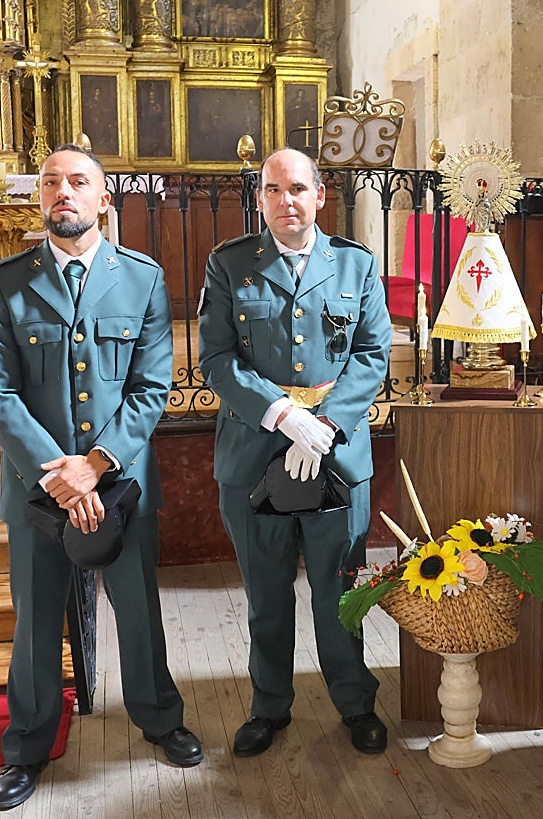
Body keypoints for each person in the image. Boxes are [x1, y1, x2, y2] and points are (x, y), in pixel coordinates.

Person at [0, 144, 202, 811]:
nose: (62, 192)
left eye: (78, 182)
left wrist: (96, 465)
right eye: (50, 183)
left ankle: (159, 718)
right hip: (36, 489)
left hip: (122, 484)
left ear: (105, 199)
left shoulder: (141, 278)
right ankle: (27, 746)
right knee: (37, 624)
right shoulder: (5, 283)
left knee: (139, 613)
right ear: (38, 199)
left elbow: (151, 385)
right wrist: (58, 475)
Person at [198, 147, 391, 757]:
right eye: (275, 190)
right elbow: (217, 360)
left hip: (337, 455)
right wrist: (283, 415)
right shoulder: (230, 266)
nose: (288, 201)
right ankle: (269, 707)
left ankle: (356, 703)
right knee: (266, 592)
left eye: (299, 189)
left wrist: (325, 425)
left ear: (319, 196)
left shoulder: (354, 265)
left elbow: (371, 355)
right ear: (260, 199)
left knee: (342, 592)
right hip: (254, 452)